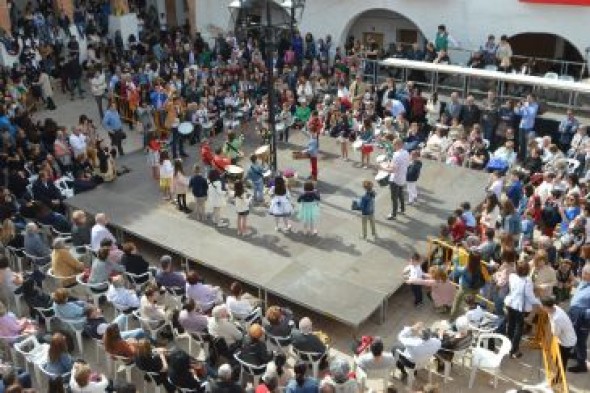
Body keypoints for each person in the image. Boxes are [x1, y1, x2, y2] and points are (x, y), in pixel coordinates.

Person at [504, 261, 541, 359]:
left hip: (510, 304)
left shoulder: (512, 276)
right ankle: (513, 350)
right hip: (520, 307)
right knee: (518, 329)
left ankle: (508, 345)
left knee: (510, 325)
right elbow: (530, 296)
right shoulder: (527, 281)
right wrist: (539, 303)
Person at [449, 251, 489, 320]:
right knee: (471, 301)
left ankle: (452, 319)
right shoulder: (481, 267)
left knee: (457, 302)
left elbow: (456, 271)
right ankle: (471, 316)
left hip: (465, 288)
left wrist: (456, 260)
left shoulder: (466, 269)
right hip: (475, 289)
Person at [540, 297, 576, 371]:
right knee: (557, 357)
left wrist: (548, 343)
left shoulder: (557, 318)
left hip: (566, 342)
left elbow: (555, 334)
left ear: (546, 307)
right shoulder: (554, 307)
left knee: (561, 361)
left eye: (542, 306)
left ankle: (559, 378)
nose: (541, 308)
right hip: (567, 339)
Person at [567, 263, 590, 373]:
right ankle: (576, 354)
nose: (583, 275)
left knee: (581, 340)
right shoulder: (585, 282)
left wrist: (584, 315)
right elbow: (579, 284)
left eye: (586, 273)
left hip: (583, 317)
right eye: (583, 272)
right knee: (574, 335)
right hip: (575, 313)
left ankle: (582, 364)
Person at [383, 139, 410, 220]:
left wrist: (383, 168)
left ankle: (393, 214)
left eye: (394, 145)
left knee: (394, 197)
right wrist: (390, 164)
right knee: (400, 194)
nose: (393, 146)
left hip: (395, 179)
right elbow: (406, 164)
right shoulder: (406, 152)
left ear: (397, 145)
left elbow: (393, 170)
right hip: (403, 177)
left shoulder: (396, 155)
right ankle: (402, 209)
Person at [515, 94, 539, 160]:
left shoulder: (535, 106)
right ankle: (521, 157)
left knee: (527, 143)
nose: (527, 99)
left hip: (528, 127)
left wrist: (525, 106)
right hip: (522, 126)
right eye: (527, 98)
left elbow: (531, 114)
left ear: (533, 99)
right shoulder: (525, 104)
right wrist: (518, 108)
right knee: (521, 142)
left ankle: (526, 158)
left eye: (529, 98)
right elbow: (519, 113)